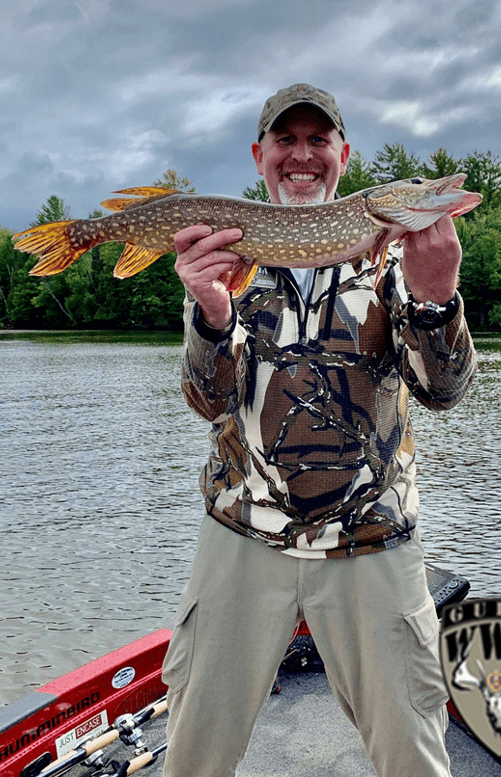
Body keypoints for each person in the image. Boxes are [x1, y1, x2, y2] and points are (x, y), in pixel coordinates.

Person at [161, 83, 477, 777]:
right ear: (260, 155)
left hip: (371, 537)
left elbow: (444, 391)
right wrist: (211, 316)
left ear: (344, 155)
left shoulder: (400, 259)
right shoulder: (228, 257)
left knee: (415, 756)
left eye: (317, 140)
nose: (301, 155)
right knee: (190, 756)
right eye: (285, 140)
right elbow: (208, 401)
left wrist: (437, 300)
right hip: (242, 530)